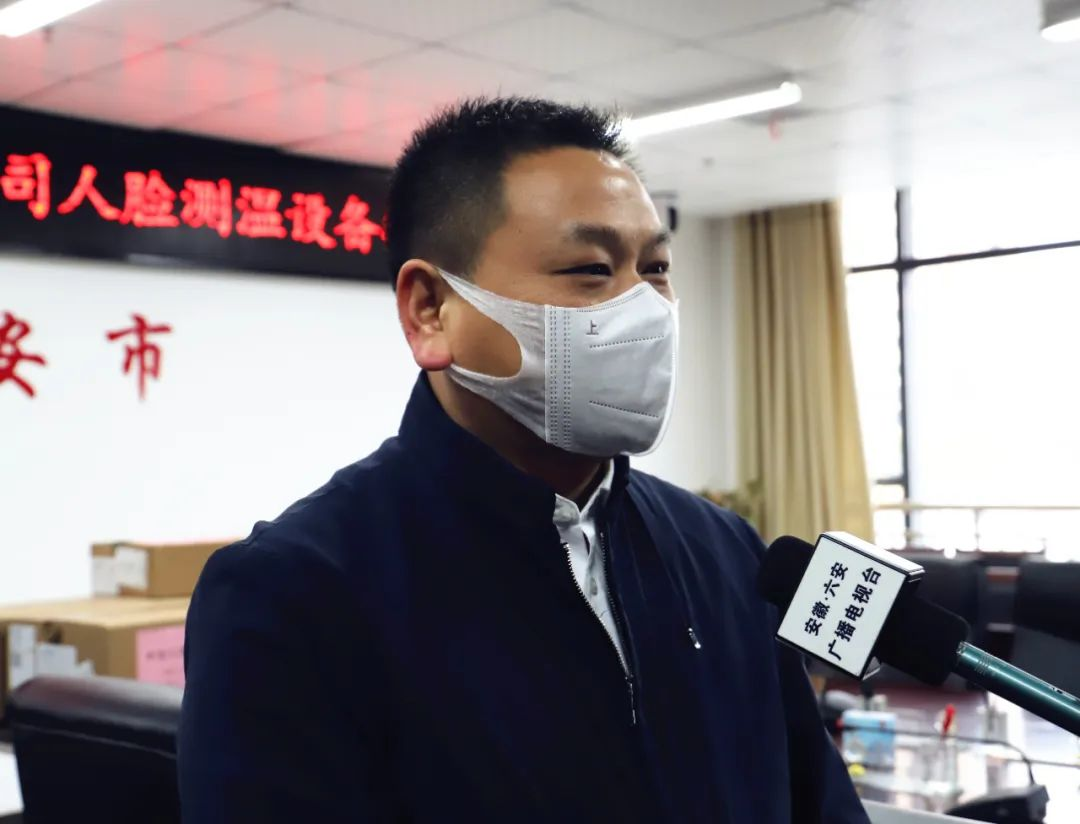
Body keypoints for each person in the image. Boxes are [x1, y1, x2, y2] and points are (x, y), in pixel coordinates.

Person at [177, 97, 869, 823]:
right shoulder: (296, 594)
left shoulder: (725, 552)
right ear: (429, 309)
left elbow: (818, 802)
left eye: (656, 268)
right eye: (590, 268)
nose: (644, 308)